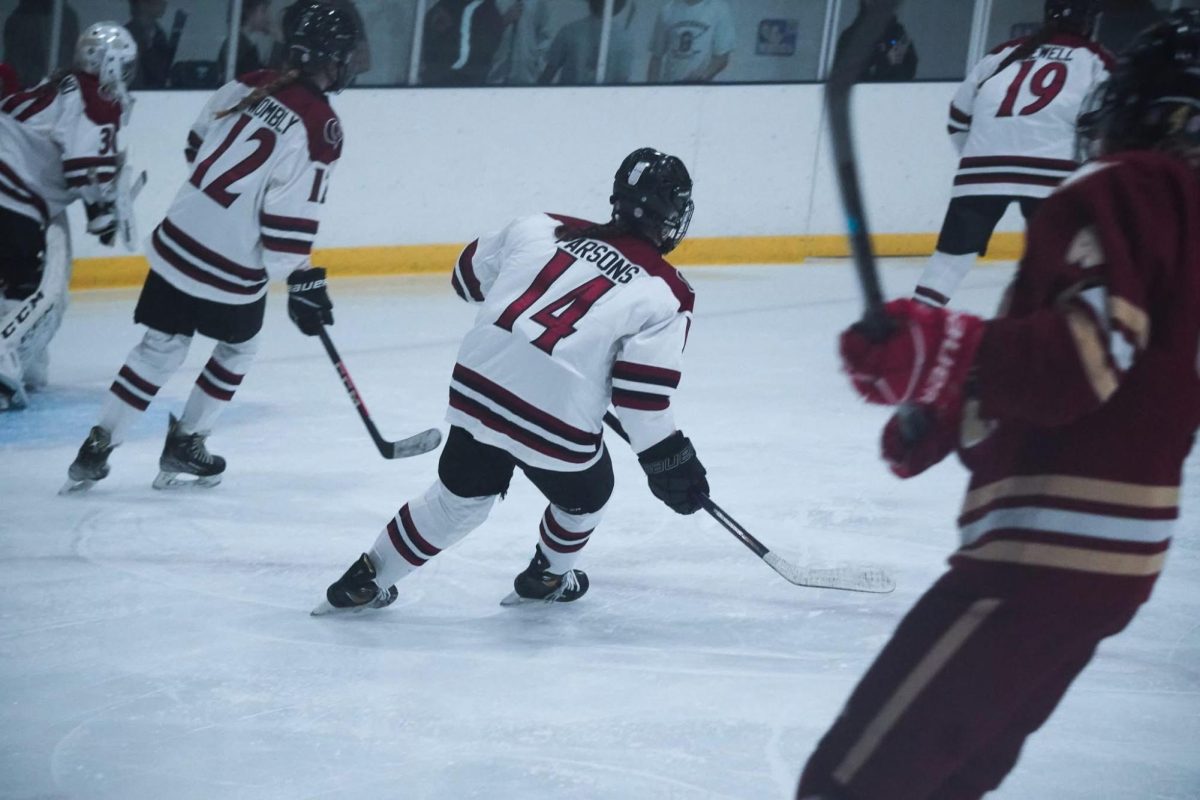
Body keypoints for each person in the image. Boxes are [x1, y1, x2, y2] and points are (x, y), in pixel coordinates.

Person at [799, 11, 1200, 800]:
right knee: (947, 781)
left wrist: (943, 349)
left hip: (1039, 554)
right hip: (1114, 564)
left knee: (849, 786)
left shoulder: (1131, 184)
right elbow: (1125, 387)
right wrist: (956, 408)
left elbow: (1085, 360)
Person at [312, 147, 711, 614]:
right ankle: (547, 577)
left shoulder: (541, 226)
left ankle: (365, 579)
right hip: (555, 424)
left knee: (456, 502)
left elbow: (465, 279)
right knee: (589, 493)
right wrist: (670, 461)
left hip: (475, 392)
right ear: (671, 215)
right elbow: (641, 401)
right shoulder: (668, 291)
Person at [62, 2, 358, 492]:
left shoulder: (251, 81)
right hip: (230, 264)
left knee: (158, 347)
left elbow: (196, 145)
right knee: (238, 348)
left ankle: (98, 445)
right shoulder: (321, 125)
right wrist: (303, 278)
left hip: (177, 239)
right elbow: (286, 221)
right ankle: (187, 441)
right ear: (333, 58)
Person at [913, 0, 1112, 308]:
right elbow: (1106, 124)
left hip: (981, 169)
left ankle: (915, 326)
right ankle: (1042, 340)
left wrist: (979, 158)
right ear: (1088, 19)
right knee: (1059, 265)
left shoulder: (1003, 53)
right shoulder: (1097, 60)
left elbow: (957, 117)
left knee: (949, 261)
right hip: (1054, 174)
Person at [0, 22, 138, 411]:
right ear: (108, 64)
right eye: (123, 65)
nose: (126, 75)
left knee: (14, 277)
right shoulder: (97, 100)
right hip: (13, 194)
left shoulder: (64, 83)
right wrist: (103, 209)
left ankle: (25, 359)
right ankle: (7, 357)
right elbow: (82, 170)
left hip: (12, 183)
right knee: (30, 283)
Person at [540, 0, 634, 85]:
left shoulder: (569, 31)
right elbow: (623, 81)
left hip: (568, 99)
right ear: (620, 6)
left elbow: (548, 75)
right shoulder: (625, 39)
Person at [647, 0, 734, 84]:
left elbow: (722, 58)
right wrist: (650, 91)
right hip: (670, 87)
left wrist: (702, 77)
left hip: (702, 90)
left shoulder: (719, 9)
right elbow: (656, 58)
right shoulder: (667, 10)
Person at [420, 0, 504, 86]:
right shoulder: (445, 6)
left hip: (461, 84)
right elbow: (421, 37)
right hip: (444, 81)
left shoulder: (488, 12)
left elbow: (478, 53)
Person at [2, 0, 80, 88]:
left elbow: (70, 58)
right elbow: (13, 62)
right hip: (27, 90)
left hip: (58, 90)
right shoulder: (17, 20)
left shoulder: (65, 17)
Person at [835, 0, 917, 82]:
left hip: (898, 92)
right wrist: (885, 62)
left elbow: (910, 68)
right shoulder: (852, 37)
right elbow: (849, 79)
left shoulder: (897, 32)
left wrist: (899, 62)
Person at [488, 0, 551, 85]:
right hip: (495, 79)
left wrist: (539, 68)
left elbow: (544, 38)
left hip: (528, 79)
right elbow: (482, 37)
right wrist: (504, 20)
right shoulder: (492, 3)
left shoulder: (538, 2)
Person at [125, 0, 174, 88]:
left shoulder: (159, 34)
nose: (164, 3)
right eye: (158, 1)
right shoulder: (125, 36)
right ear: (142, 4)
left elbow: (161, 69)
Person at [218, 0, 273, 77]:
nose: (268, 17)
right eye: (263, 11)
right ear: (249, 12)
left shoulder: (239, 44)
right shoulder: (239, 48)